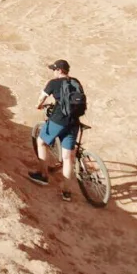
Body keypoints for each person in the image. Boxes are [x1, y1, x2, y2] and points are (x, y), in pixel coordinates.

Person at [29, 59, 85, 202]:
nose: (53, 72)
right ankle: (66, 192)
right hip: (74, 122)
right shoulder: (76, 82)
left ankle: (43, 176)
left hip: (58, 120)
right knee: (68, 158)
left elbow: (42, 98)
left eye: (55, 69)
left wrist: (38, 105)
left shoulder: (53, 83)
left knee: (41, 142)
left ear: (60, 70)